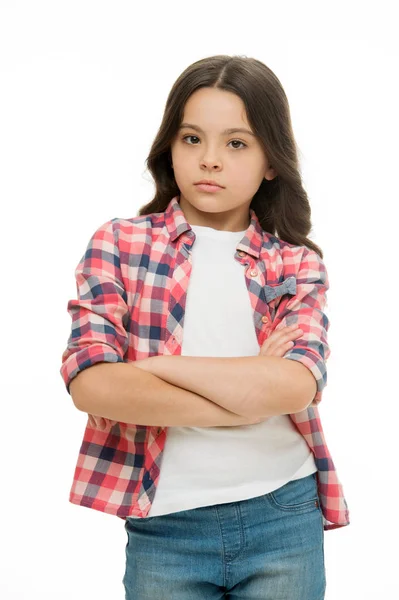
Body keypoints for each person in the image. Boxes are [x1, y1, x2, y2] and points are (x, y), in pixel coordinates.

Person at [60, 54, 350, 599]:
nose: (210, 160)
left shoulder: (296, 264)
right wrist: (250, 389)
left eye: (236, 143)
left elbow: (297, 385)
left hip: (283, 514)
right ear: (170, 147)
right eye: (192, 139)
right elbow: (91, 383)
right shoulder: (120, 245)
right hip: (166, 525)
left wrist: (155, 371)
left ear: (270, 160)